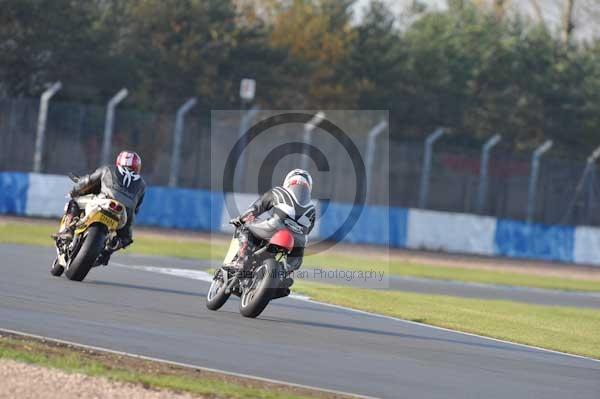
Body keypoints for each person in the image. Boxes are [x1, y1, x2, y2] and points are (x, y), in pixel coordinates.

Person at [230, 169, 316, 298]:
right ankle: (282, 278)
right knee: (291, 266)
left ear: (288, 181)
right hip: (299, 240)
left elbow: (257, 207)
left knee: (246, 228)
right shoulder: (312, 208)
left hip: (274, 227)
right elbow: (308, 230)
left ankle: (241, 260)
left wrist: (241, 219)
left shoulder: (279, 191)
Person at [53, 151, 146, 260]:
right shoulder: (142, 184)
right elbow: (136, 208)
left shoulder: (108, 169)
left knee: (74, 202)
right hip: (125, 213)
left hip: (104, 201)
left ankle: (68, 231)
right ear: (137, 166)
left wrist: (74, 191)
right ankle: (108, 251)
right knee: (126, 239)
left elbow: (88, 181)